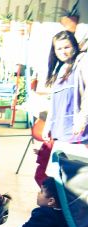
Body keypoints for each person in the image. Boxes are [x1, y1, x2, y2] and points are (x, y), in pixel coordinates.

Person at [37, 31, 88, 184]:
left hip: (76, 131)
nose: (63, 51)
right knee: (54, 174)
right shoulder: (61, 69)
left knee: (72, 178)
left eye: (67, 47)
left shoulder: (82, 61)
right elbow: (55, 102)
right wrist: (48, 125)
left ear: (74, 46)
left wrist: (82, 119)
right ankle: (58, 206)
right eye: (59, 49)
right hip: (60, 131)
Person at [0, 177, 72, 227]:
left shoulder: (43, 214)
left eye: (41, 191)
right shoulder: (67, 215)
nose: (38, 193)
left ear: (51, 201)